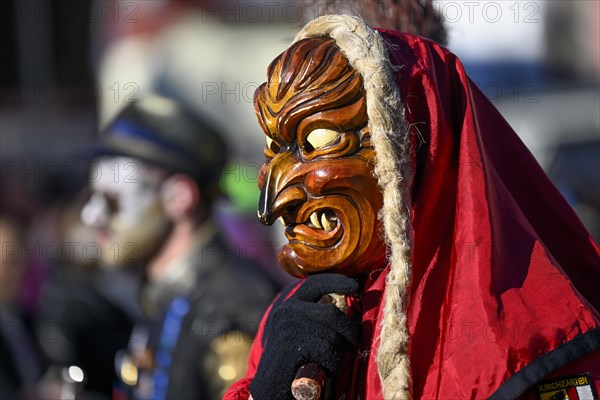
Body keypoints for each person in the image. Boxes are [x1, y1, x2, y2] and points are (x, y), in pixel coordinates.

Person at [224, 15, 600, 400]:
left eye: (318, 142)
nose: (272, 205)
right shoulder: (292, 317)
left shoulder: (525, 338)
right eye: (275, 148)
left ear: (410, 145)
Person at [81, 93, 276, 399]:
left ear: (179, 197)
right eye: (90, 198)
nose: (90, 215)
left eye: (111, 200)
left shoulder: (232, 307)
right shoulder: (164, 293)